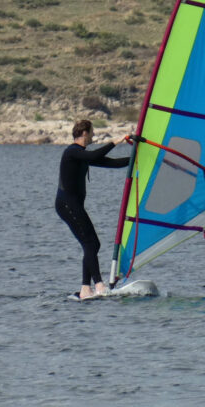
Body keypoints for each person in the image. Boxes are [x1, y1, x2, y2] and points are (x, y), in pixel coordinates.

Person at [55, 119, 130, 299]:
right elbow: (94, 157)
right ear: (85, 133)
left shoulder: (81, 155)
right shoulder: (72, 152)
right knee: (91, 243)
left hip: (72, 205)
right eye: (92, 132)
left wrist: (136, 159)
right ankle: (98, 284)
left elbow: (112, 163)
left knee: (91, 245)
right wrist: (116, 141)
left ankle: (85, 289)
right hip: (67, 205)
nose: (94, 136)